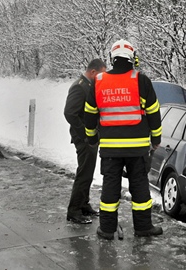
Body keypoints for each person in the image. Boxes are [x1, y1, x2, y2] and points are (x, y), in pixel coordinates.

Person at [84, 39, 163, 239]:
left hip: (111, 150)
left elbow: (90, 115)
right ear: (132, 57)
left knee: (110, 188)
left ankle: (107, 230)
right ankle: (143, 228)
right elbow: (153, 112)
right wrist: (156, 139)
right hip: (137, 149)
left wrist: (92, 138)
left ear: (112, 58)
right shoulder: (141, 80)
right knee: (139, 187)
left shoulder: (99, 81)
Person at [64, 58, 107, 224]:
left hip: (90, 137)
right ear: (93, 72)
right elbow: (70, 113)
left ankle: (84, 204)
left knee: (88, 172)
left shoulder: (87, 85)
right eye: (101, 74)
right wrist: (85, 134)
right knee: (84, 173)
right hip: (84, 138)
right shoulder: (79, 87)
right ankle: (74, 210)